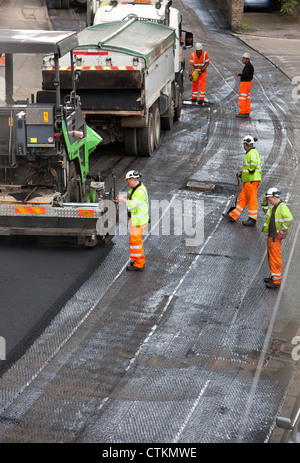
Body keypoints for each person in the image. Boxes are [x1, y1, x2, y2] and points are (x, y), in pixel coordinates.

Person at [222, 135, 262, 226]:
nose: (243, 146)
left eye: (244, 144)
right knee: (242, 199)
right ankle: (233, 215)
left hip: (252, 180)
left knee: (251, 199)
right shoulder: (251, 152)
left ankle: (252, 219)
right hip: (248, 180)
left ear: (246, 144)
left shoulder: (252, 153)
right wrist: (242, 173)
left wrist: (251, 170)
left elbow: (254, 163)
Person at [118, 170, 149, 272]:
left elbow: (132, 204)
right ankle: (137, 260)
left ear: (132, 179)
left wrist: (122, 200)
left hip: (138, 221)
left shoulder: (139, 191)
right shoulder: (136, 187)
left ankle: (139, 265)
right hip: (136, 220)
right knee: (136, 243)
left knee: (135, 243)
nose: (127, 183)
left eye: (128, 181)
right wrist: (124, 195)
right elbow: (130, 194)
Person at [262, 188, 293, 289]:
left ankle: (276, 281)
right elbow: (266, 212)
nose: (270, 202)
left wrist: (282, 231)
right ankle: (274, 276)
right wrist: (265, 202)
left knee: (275, 257)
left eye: (270, 199)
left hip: (276, 236)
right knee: (271, 256)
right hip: (271, 236)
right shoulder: (274, 207)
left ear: (275, 197)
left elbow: (289, 218)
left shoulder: (282, 207)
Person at [235, 52, 254, 118]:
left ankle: (243, 112)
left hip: (245, 84)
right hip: (248, 83)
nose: (242, 60)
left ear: (247, 59)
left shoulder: (248, 66)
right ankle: (247, 111)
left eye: (244, 58)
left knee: (242, 98)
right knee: (247, 98)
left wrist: (239, 74)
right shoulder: (249, 66)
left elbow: (245, 75)